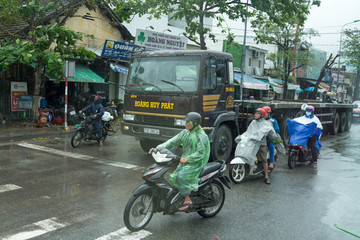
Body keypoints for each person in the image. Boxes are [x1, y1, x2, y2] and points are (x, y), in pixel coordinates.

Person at [149, 112, 210, 211]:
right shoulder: (185, 132)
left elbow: (200, 153)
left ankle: (187, 199)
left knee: (181, 176)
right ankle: (177, 198)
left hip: (197, 162)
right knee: (173, 178)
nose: (185, 124)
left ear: (195, 123)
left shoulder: (202, 136)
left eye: (188, 122)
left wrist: (188, 159)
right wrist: (158, 148)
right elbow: (173, 141)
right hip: (184, 160)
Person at [252, 108, 275, 184]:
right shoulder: (253, 122)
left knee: (264, 160)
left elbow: (264, 133)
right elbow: (248, 132)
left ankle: (266, 177)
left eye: (257, 113)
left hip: (262, 144)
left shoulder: (266, 123)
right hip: (253, 142)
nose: (255, 114)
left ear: (261, 115)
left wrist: (260, 136)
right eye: (255, 113)